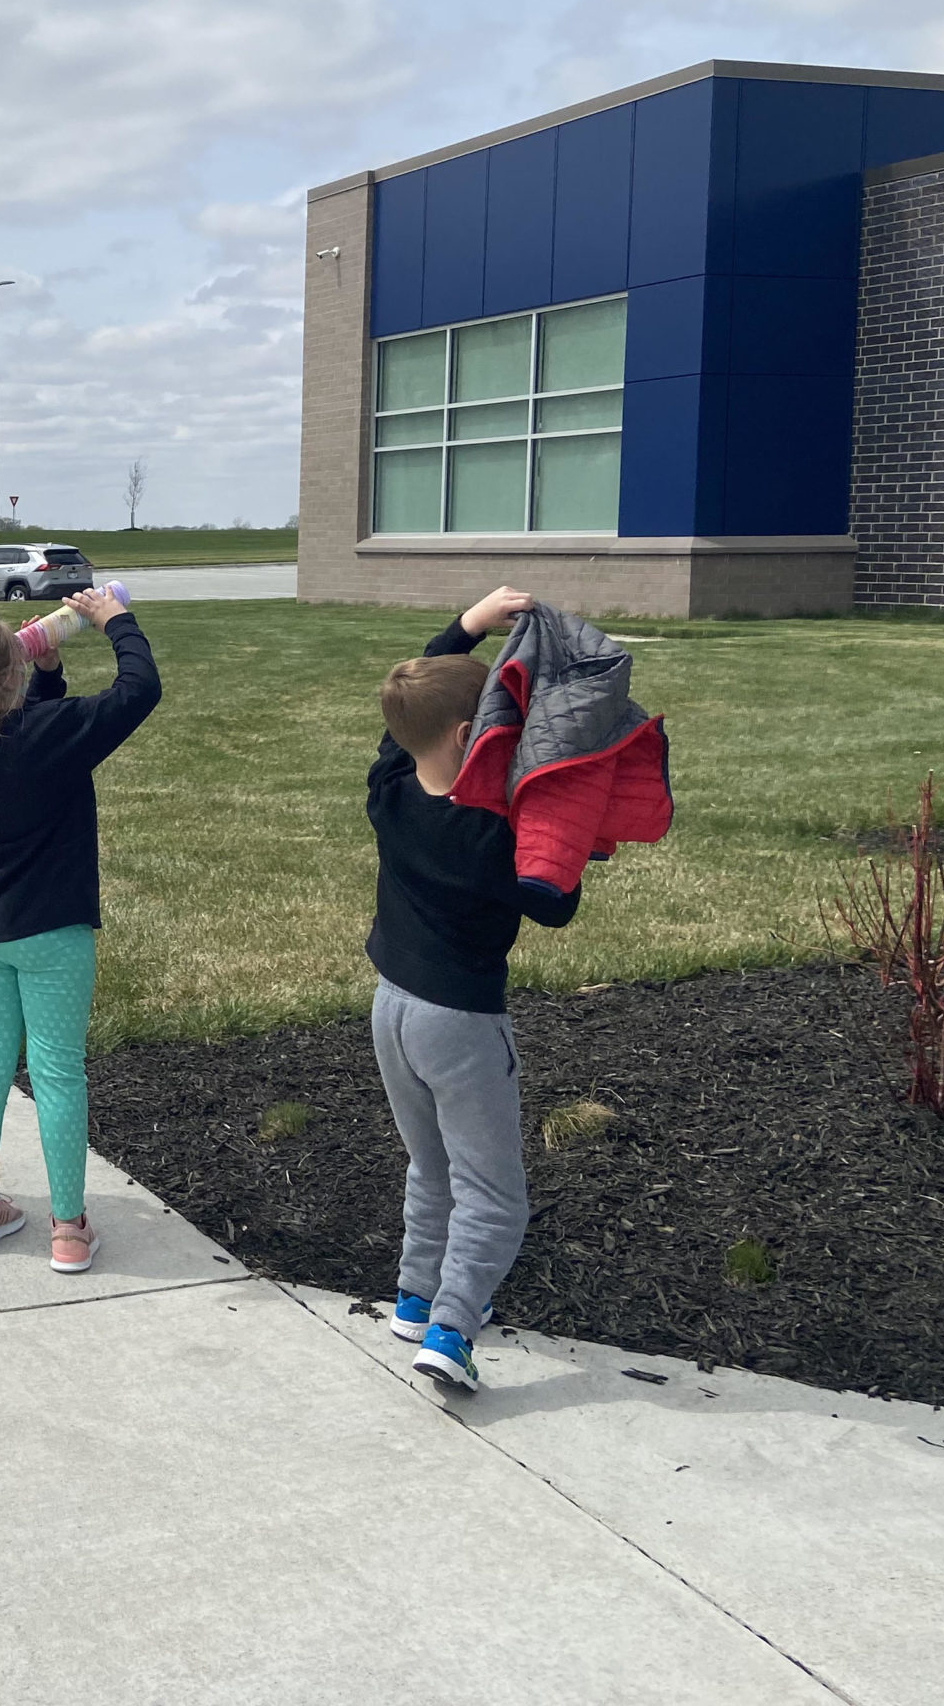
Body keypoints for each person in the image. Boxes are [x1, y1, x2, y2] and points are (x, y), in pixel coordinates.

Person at [0, 590, 159, 1274]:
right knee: (57, 1072)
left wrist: (44, 674)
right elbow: (139, 689)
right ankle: (68, 1229)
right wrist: (116, 622)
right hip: (54, 934)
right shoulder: (51, 737)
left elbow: (20, 728)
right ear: (4, 678)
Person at [366, 586, 579, 1393]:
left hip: (391, 1009)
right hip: (460, 1024)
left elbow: (409, 712)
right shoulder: (492, 836)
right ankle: (452, 1329)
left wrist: (466, 625)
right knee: (495, 1194)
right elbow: (555, 906)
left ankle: (415, 1298)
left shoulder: (389, 789)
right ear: (472, 735)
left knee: (430, 1163)